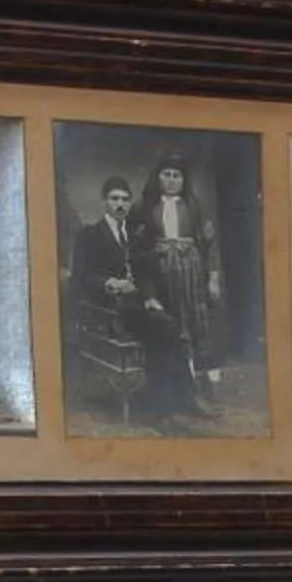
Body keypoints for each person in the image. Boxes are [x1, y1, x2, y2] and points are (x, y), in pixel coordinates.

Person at [68, 176, 198, 431]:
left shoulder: (137, 236)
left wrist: (150, 297)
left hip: (137, 307)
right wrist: (109, 283)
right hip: (108, 311)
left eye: (126, 199)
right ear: (104, 202)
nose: (121, 204)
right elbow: (81, 279)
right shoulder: (89, 235)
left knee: (168, 325)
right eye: (115, 198)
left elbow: (147, 273)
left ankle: (172, 402)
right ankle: (175, 403)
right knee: (163, 329)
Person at [137, 152, 226, 391]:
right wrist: (149, 291)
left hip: (192, 272)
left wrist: (213, 277)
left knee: (197, 320)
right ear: (158, 177)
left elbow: (210, 244)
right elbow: (139, 251)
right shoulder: (146, 208)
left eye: (177, 175)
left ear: (183, 180)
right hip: (162, 275)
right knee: (173, 323)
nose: (171, 180)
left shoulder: (194, 207)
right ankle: (179, 378)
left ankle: (203, 376)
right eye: (166, 174)